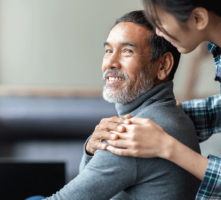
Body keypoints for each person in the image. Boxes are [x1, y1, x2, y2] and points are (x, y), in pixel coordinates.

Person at [27, 10, 201, 200]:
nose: (110, 62)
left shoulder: (136, 135)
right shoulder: (173, 116)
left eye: (127, 51)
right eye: (108, 50)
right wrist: (90, 151)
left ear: (163, 66)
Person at [86, 1, 221, 199]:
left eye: (161, 21)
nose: (158, 31)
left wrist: (166, 145)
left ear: (198, 18)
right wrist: (173, 117)